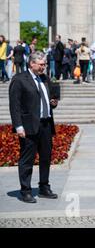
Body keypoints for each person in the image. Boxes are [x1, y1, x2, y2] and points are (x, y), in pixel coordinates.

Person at [9, 51, 59, 203]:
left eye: (44, 64)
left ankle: (44, 187)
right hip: (28, 126)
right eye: (41, 64)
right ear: (32, 63)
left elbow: (49, 97)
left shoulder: (44, 78)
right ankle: (26, 190)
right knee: (27, 159)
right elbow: (14, 106)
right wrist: (18, 126)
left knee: (45, 158)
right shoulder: (19, 80)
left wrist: (53, 103)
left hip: (45, 124)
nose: (44, 67)